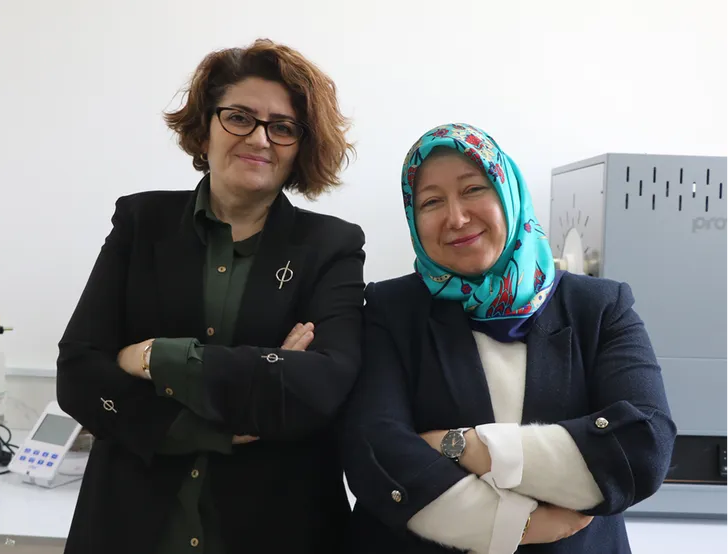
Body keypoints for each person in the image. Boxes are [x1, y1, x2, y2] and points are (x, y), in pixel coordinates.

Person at [56, 39, 365, 554]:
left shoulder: (331, 245)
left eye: (283, 127)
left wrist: (155, 357)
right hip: (131, 529)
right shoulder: (140, 223)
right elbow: (78, 375)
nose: (260, 138)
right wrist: (228, 410)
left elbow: (322, 386)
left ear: (301, 147)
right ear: (205, 128)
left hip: (276, 530)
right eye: (239, 117)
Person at [341, 123, 676, 554]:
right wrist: (520, 526)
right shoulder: (391, 308)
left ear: (508, 192)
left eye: (473, 189)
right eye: (431, 202)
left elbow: (644, 447)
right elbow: (374, 452)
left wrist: (464, 446)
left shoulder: (598, 306)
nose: (456, 217)